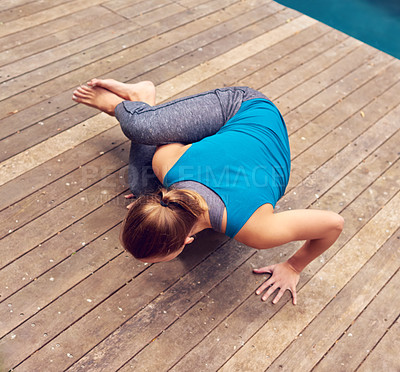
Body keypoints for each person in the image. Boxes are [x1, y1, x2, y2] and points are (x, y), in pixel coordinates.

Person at [72, 79, 344, 305]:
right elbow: (162, 140)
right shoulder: (167, 165)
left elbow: (333, 224)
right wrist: (151, 206)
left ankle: (136, 99)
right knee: (143, 177)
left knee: (142, 136)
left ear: (186, 241)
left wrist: (293, 267)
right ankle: (140, 105)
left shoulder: (257, 230)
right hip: (231, 141)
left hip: (244, 109)